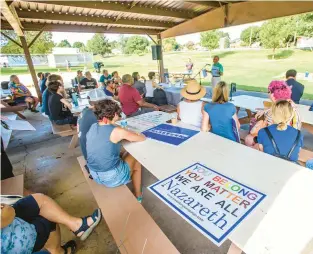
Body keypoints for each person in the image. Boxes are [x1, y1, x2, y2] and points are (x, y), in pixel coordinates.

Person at [1, 193, 101, 254]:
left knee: (39, 201)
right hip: (15, 243)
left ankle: (77, 225)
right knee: (47, 217)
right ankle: (59, 252)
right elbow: (8, 214)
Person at [86, 99, 145, 202]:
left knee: (123, 153)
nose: (119, 115)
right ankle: (138, 195)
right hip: (111, 177)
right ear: (112, 114)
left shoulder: (93, 126)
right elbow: (142, 138)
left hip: (94, 174)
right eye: (117, 113)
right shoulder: (117, 131)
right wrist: (137, 133)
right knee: (137, 158)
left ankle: (138, 193)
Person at [245, 80, 302, 148]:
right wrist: (264, 111)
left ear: (273, 94)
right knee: (249, 139)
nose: (268, 94)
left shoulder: (281, 110)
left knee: (252, 143)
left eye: (269, 92)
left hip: (282, 141)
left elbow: (278, 131)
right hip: (277, 137)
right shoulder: (283, 104)